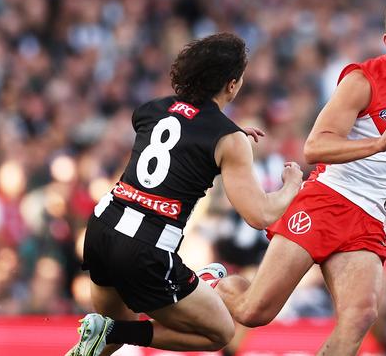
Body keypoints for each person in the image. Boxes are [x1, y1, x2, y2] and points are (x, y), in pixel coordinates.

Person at [211, 0, 386, 356]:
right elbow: (315, 147)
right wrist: (376, 144)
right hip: (327, 200)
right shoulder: (361, 80)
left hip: (370, 218)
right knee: (253, 312)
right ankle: (210, 283)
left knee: (361, 315)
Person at [67, 33, 303, 356]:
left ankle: (119, 325)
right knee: (219, 333)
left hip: (102, 229)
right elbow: (259, 214)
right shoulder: (228, 139)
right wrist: (291, 183)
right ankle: (183, 293)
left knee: (104, 341)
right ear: (232, 85)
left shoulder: (150, 109)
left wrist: (229, 136)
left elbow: (182, 134)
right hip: (145, 249)